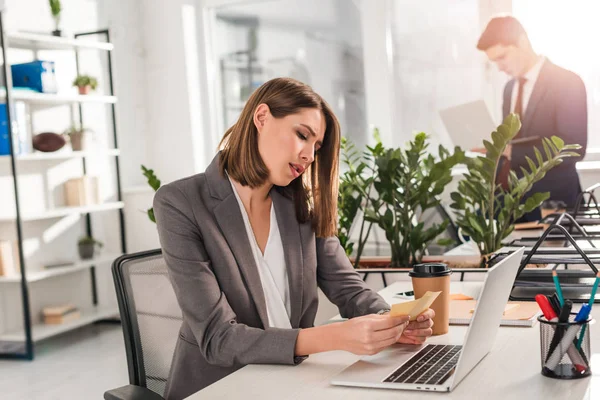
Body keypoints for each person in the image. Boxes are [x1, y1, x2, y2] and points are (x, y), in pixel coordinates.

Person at [153, 77, 435, 399]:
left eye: (316, 147)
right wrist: (336, 336)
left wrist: (391, 322)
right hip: (220, 387)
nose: (310, 156)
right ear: (261, 118)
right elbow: (218, 338)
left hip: (291, 381)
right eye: (302, 135)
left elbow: (348, 288)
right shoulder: (181, 202)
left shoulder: (300, 206)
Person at [477, 15, 588, 221]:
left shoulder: (567, 82)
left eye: (502, 57)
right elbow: (510, 144)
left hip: (554, 204)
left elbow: (574, 146)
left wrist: (512, 150)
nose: (500, 67)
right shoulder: (509, 89)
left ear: (522, 42)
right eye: (494, 62)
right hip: (513, 205)